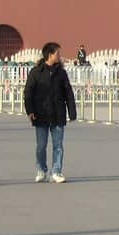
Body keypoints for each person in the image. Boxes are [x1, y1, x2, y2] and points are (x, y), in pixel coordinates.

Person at [24, 42, 77, 183]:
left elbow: (68, 92)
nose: (59, 56)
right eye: (57, 53)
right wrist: (30, 111)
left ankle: (56, 171)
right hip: (40, 113)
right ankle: (41, 170)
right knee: (41, 146)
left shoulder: (61, 73)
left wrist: (72, 112)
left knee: (58, 146)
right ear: (49, 55)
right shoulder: (36, 72)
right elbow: (28, 92)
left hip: (58, 113)